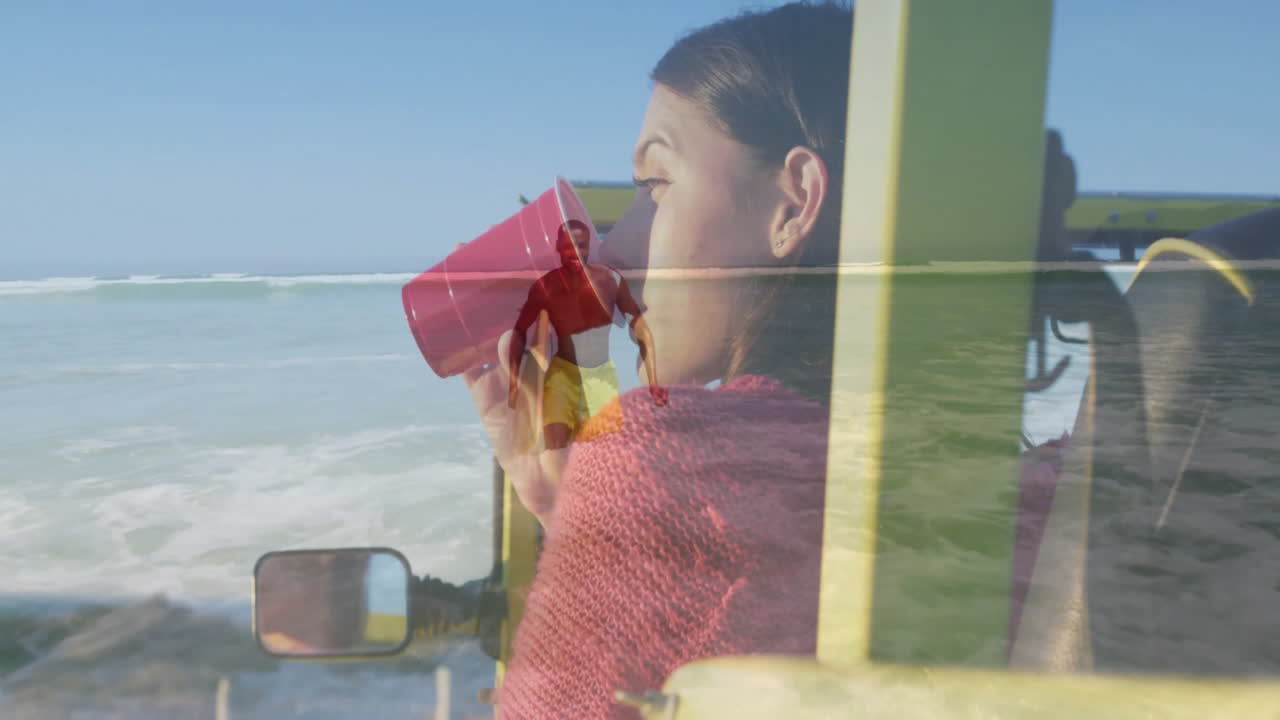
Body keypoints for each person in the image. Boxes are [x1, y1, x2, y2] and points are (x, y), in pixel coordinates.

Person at [461, 3, 851, 716]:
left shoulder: (661, 458)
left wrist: (614, 494)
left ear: (794, 205)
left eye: (655, 187)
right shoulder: (981, 458)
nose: (613, 249)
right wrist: (571, 514)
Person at [506, 219, 667, 452]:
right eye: (568, 246)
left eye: (581, 246)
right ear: (558, 247)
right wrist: (514, 381)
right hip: (562, 377)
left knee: (603, 454)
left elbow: (640, 328)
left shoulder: (610, 280)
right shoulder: (545, 287)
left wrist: (653, 381)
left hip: (600, 378)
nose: (575, 253)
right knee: (557, 453)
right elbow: (519, 331)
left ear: (589, 246)